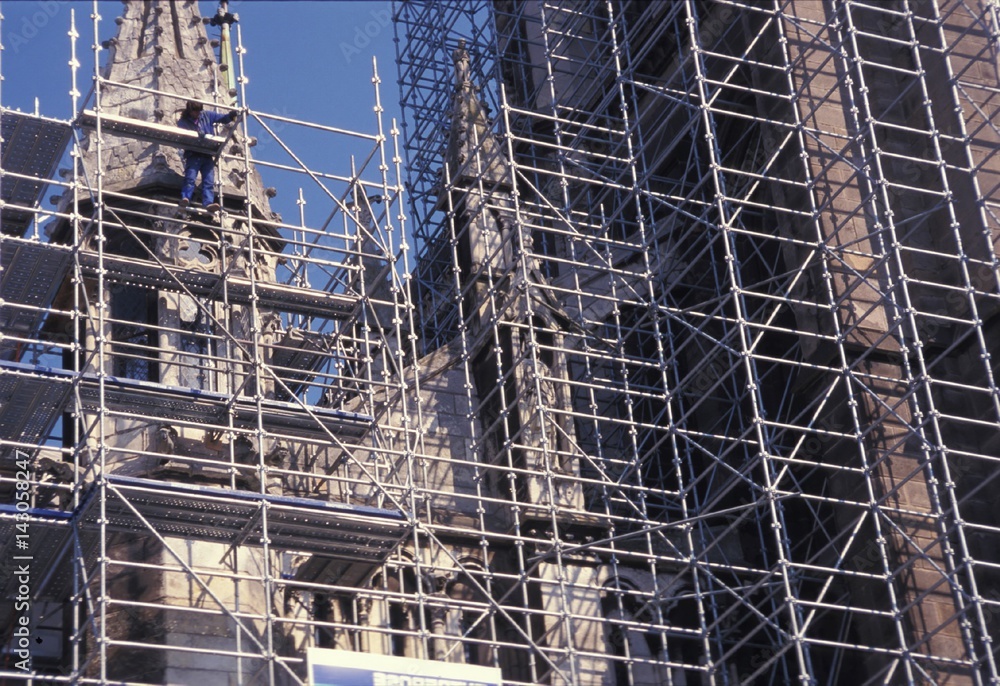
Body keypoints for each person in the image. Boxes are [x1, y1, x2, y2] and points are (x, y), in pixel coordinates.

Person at [177, 100, 239, 212]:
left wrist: (231, 115)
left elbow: (222, 118)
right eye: (195, 112)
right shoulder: (183, 122)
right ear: (190, 111)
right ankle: (185, 198)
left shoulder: (206, 115)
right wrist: (195, 135)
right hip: (193, 154)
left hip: (207, 153)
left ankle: (208, 203)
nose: (198, 114)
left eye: (199, 111)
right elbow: (182, 135)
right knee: (190, 177)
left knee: (209, 180)